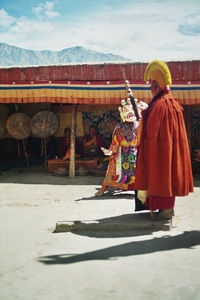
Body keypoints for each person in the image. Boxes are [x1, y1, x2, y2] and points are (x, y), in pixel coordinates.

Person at [134, 60, 193, 220]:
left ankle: (166, 210)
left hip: (161, 150)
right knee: (163, 177)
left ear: (155, 86)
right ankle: (164, 209)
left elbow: (154, 133)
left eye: (151, 85)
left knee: (162, 176)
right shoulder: (170, 102)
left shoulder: (163, 105)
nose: (150, 89)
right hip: (163, 149)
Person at [96, 98, 148, 197]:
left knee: (141, 171)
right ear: (122, 114)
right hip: (121, 154)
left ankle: (142, 191)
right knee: (112, 167)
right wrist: (110, 151)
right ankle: (103, 188)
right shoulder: (120, 128)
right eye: (126, 110)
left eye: (132, 110)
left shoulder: (140, 126)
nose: (130, 112)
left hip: (135, 153)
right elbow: (115, 143)